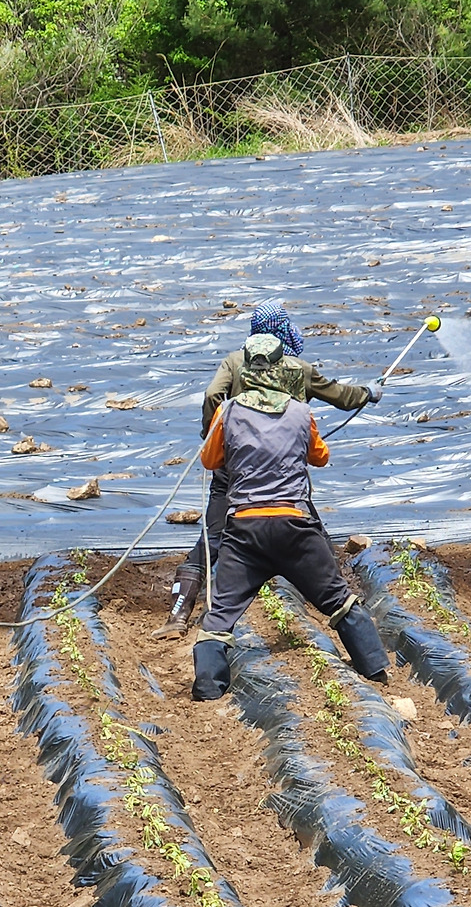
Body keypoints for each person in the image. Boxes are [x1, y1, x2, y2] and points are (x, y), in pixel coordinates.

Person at [155, 300, 382, 637]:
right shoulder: (299, 368)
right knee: (312, 536)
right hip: (284, 477)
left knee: (212, 538)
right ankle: (347, 612)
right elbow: (340, 395)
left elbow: (211, 395)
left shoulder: (234, 362)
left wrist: (213, 433)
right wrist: (367, 393)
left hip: (234, 473)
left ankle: (178, 616)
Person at [190, 333, 389, 701]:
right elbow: (320, 456)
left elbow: (210, 461)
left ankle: (207, 688)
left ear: (246, 370)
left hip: (244, 530)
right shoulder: (300, 411)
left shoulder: (227, 412)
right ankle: (375, 668)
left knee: (219, 618)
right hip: (295, 526)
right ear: (283, 368)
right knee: (338, 599)